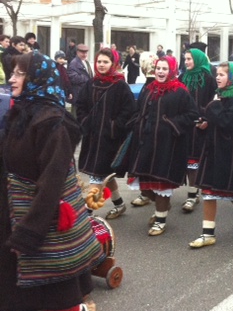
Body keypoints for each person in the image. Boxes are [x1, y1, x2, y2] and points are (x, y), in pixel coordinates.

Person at [1, 52, 101, 311]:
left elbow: (52, 183)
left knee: (47, 298)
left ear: (37, 78)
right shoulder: (20, 112)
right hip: (10, 215)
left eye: (19, 73)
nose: (12, 78)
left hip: (35, 219)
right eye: (13, 72)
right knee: (13, 296)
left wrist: (30, 231)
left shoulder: (52, 123)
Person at [189, 62, 233, 248]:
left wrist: (212, 107)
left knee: (232, 191)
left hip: (231, 151)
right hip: (212, 149)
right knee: (208, 191)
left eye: (222, 74)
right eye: (217, 74)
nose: (218, 77)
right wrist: (205, 123)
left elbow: (228, 121)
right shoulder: (219, 95)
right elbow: (215, 119)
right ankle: (207, 234)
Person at [127, 56, 199, 236]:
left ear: (172, 71)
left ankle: (160, 220)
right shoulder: (149, 89)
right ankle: (163, 206)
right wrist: (137, 126)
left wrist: (170, 124)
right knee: (143, 184)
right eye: (158, 68)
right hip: (145, 143)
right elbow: (138, 111)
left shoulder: (181, 92)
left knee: (161, 184)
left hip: (169, 145)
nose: (160, 72)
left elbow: (192, 115)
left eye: (164, 69)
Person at [76, 48, 136, 219]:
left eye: (106, 62)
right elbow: (80, 106)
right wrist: (85, 122)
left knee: (97, 174)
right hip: (92, 137)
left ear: (113, 64)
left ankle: (87, 214)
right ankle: (119, 204)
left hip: (110, 139)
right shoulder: (91, 83)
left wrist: (114, 126)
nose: (101, 65)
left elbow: (129, 110)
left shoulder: (120, 85)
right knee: (103, 174)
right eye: (99, 62)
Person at [179, 47, 217, 213]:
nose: (187, 62)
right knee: (188, 161)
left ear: (198, 59)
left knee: (196, 161)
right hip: (186, 124)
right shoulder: (182, 77)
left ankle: (192, 195)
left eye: (189, 59)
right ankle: (193, 193)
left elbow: (215, 101)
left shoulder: (208, 78)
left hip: (202, 126)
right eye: (185, 59)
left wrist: (207, 118)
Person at [67, 43, 93, 114]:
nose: (84, 54)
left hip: (85, 93)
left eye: (86, 53)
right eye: (82, 53)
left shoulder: (86, 62)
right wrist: (87, 78)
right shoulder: (74, 63)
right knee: (76, 115)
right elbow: (73, 78)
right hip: (78, 94)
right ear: (78, 52)